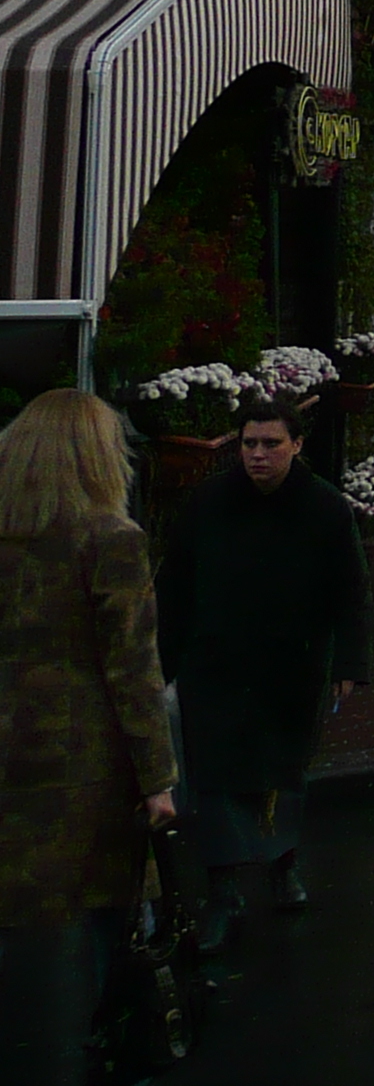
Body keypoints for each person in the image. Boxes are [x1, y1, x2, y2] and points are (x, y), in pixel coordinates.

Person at [0, 391, 178, 1086]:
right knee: (112, 913)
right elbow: (133, 673)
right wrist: (158, 781)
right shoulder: (111, 539)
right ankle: (108, 1038)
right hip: (85, 762)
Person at [155, 394, 367, 952]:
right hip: (215, 664)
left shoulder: (325, 509)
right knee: (217, 774)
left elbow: (350, 591)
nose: (258, 455)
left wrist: (349, 661)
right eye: (249, 444)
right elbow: (174, 586)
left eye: (271, 444)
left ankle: (282, 863)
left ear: (296, 446)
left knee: (282, 771)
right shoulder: (208, 503)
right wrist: (162, 661)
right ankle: (223, 890)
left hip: (291, 667)